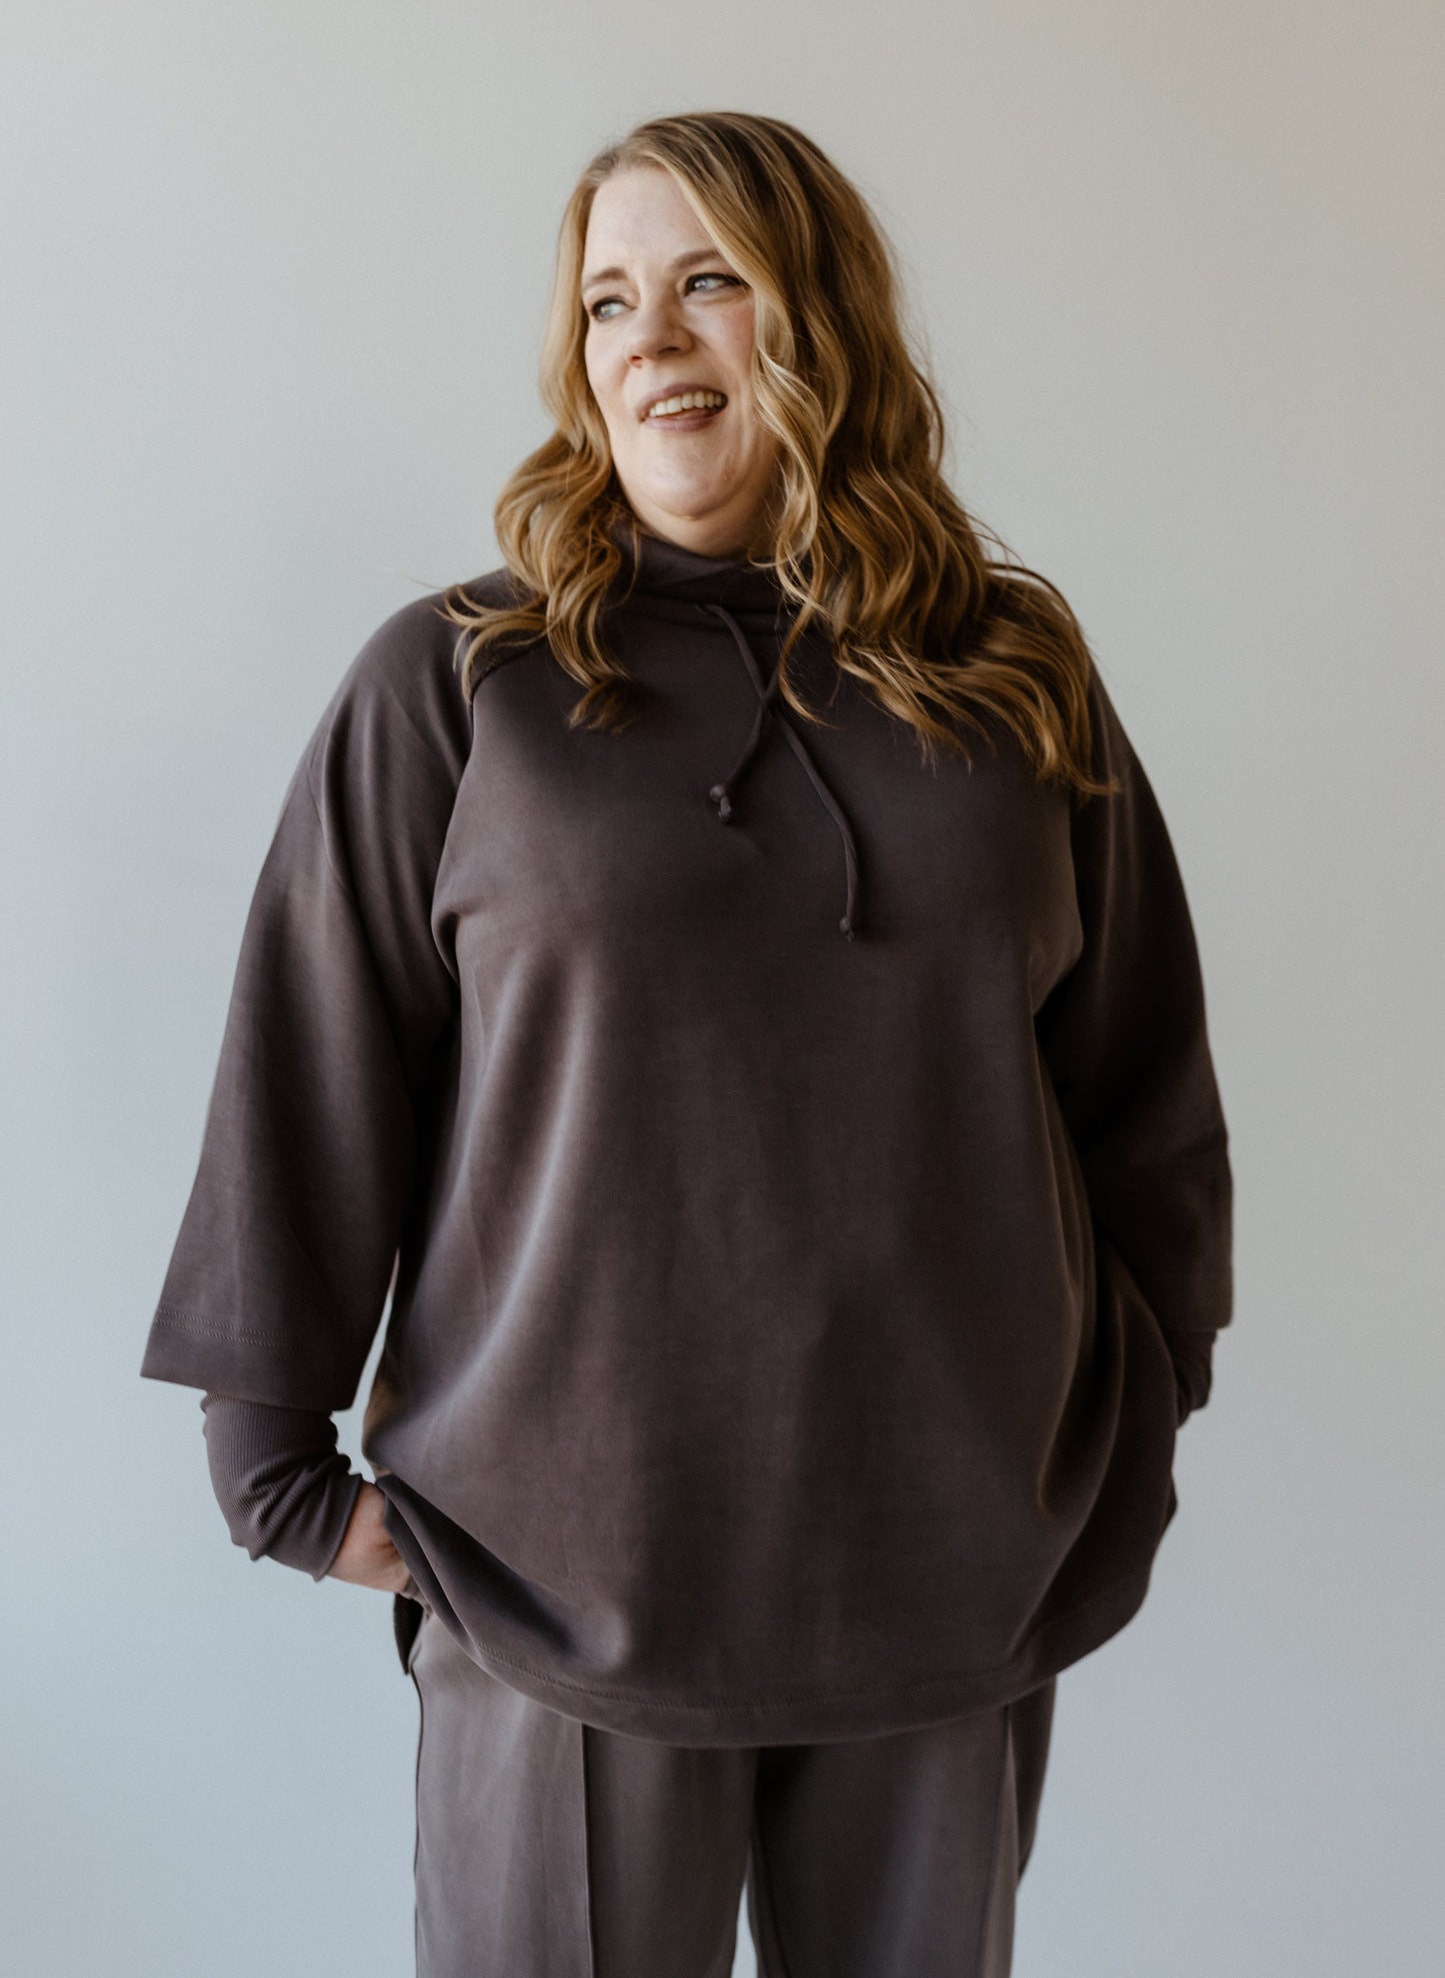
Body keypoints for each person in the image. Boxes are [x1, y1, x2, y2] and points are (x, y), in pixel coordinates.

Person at [140, 109, 1232, 1977]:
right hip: (560, 1575)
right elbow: (318, 1045)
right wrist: (273, 1463)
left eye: (708, 281)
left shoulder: (1009, 676)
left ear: (819, 321)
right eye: (607, 300)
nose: (650, 338)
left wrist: (1134, 1416)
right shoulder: (462, 682)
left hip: (945, 1568)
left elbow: (1136, 1086)